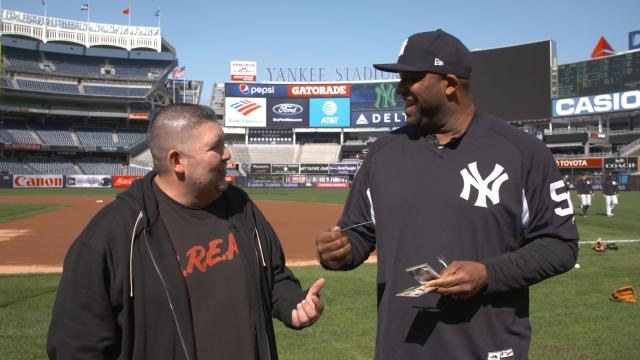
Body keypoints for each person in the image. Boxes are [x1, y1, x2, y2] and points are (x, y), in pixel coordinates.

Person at [315, 30, 578, 359]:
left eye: (410, 79)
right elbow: (359, 233)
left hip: (488, 349)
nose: (399, 90)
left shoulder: (522, 152)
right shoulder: (383, 154)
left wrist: (488, 274)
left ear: (450, 84)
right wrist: (339, 252)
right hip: (400, 350)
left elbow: (560, 245)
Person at [48, 104, 325, 360]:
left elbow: (274, 276)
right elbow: (77, 344)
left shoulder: (240, 207)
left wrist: (294, 302)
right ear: (177, 161)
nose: (227, 154)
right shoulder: (114, 234)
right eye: (216, 147)